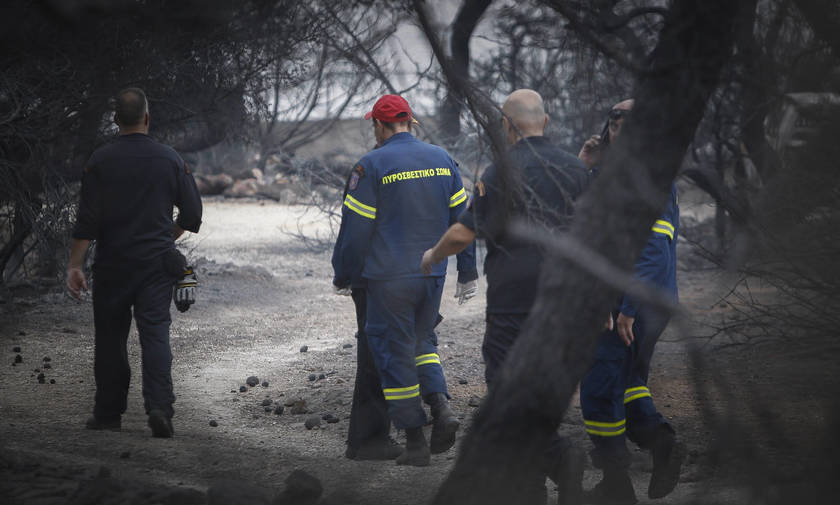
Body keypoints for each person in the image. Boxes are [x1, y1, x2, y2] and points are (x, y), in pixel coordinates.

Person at [421, 89, 590, 504]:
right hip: (566, 305)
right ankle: (529, 487)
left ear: (507, 126)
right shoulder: (578, 171)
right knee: (542, 395)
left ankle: (558, 457)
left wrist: (433, 254)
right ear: (545, 122)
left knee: (506, 393)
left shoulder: (501, 172)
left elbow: (464, 232)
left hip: (514, 306)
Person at [332, 94, 466, 466]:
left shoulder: (372, 165)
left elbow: (355, 234)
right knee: (423, 343)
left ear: (378, 125)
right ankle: (441, 410)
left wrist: (343, 275)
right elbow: (465, 220)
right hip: (433, 273)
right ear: (412, 122)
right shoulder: (442, 159)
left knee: (393, 355)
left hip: (389, 279)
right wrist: (467, 272)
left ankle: (415, 443)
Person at [67, 87, 202, 438]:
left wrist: (74, 266)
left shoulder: (99, 160)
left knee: (110, 340)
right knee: (155, 335)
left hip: (112, 264)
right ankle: (160, 409)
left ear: (115, 119)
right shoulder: (170, 159)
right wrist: (162, 239)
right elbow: (192, 213)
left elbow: (87, 220)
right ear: (147, 117)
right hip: (156, 266)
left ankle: (109, 414)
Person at [577, 99, 683, 504]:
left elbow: (654, 250)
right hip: (633, 302)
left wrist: (626, 309)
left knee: (600, 390)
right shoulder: (611, 173)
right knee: (629, 382)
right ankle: (661, 447)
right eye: (614, 124)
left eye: (628, 125)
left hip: (632, 304)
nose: (618, 130)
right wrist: (583, 165)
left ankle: (618, 484)